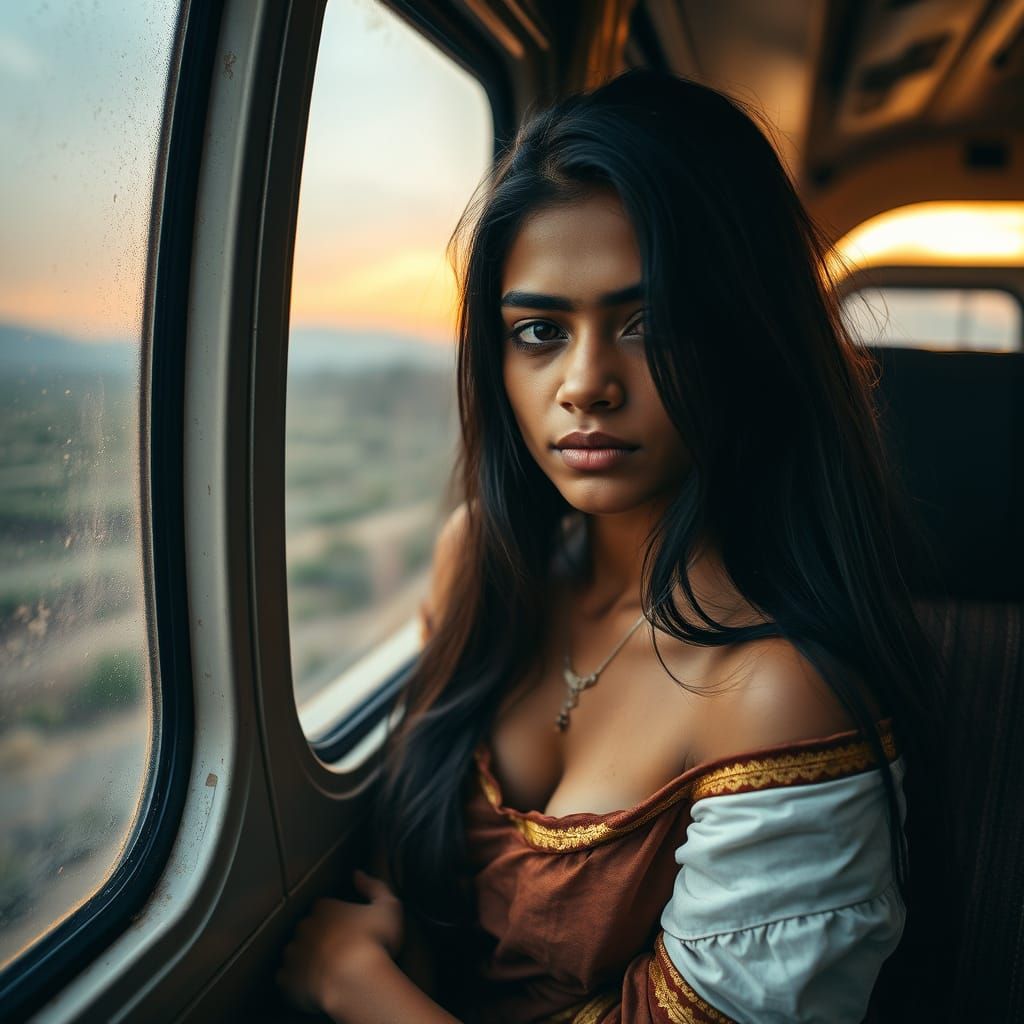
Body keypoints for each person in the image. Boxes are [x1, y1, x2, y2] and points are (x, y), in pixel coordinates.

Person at [276, 69, 941, 1023]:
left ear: (748, 336)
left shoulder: (779, 694)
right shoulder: (484, 564)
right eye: (539, 331)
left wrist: (360, 988)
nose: (585, 383)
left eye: (649, 324)